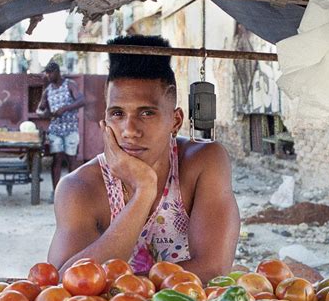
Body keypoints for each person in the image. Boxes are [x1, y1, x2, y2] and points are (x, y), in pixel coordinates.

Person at [48, 35, 240, 284]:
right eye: (117, 113)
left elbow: (213, 270)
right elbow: (66, 283)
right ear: (105, 122)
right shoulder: (79, 188)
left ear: (176, 121)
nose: (130, 130)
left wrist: (123, 287)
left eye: (146, 113)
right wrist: (144, 191)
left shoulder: (203, 161)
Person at [37, 60, 85, 201]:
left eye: (50, 73)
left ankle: (73, 193)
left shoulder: (70, 84)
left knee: (71, 160)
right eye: (46, 73)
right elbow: (40, 108)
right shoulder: (48, 90)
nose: (48, 76)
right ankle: (56, 192)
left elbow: (82, 101)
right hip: (56, 130)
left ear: (57, 72)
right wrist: (44, 114)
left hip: (70, 129)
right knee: (56, 159)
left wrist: (65, 108)